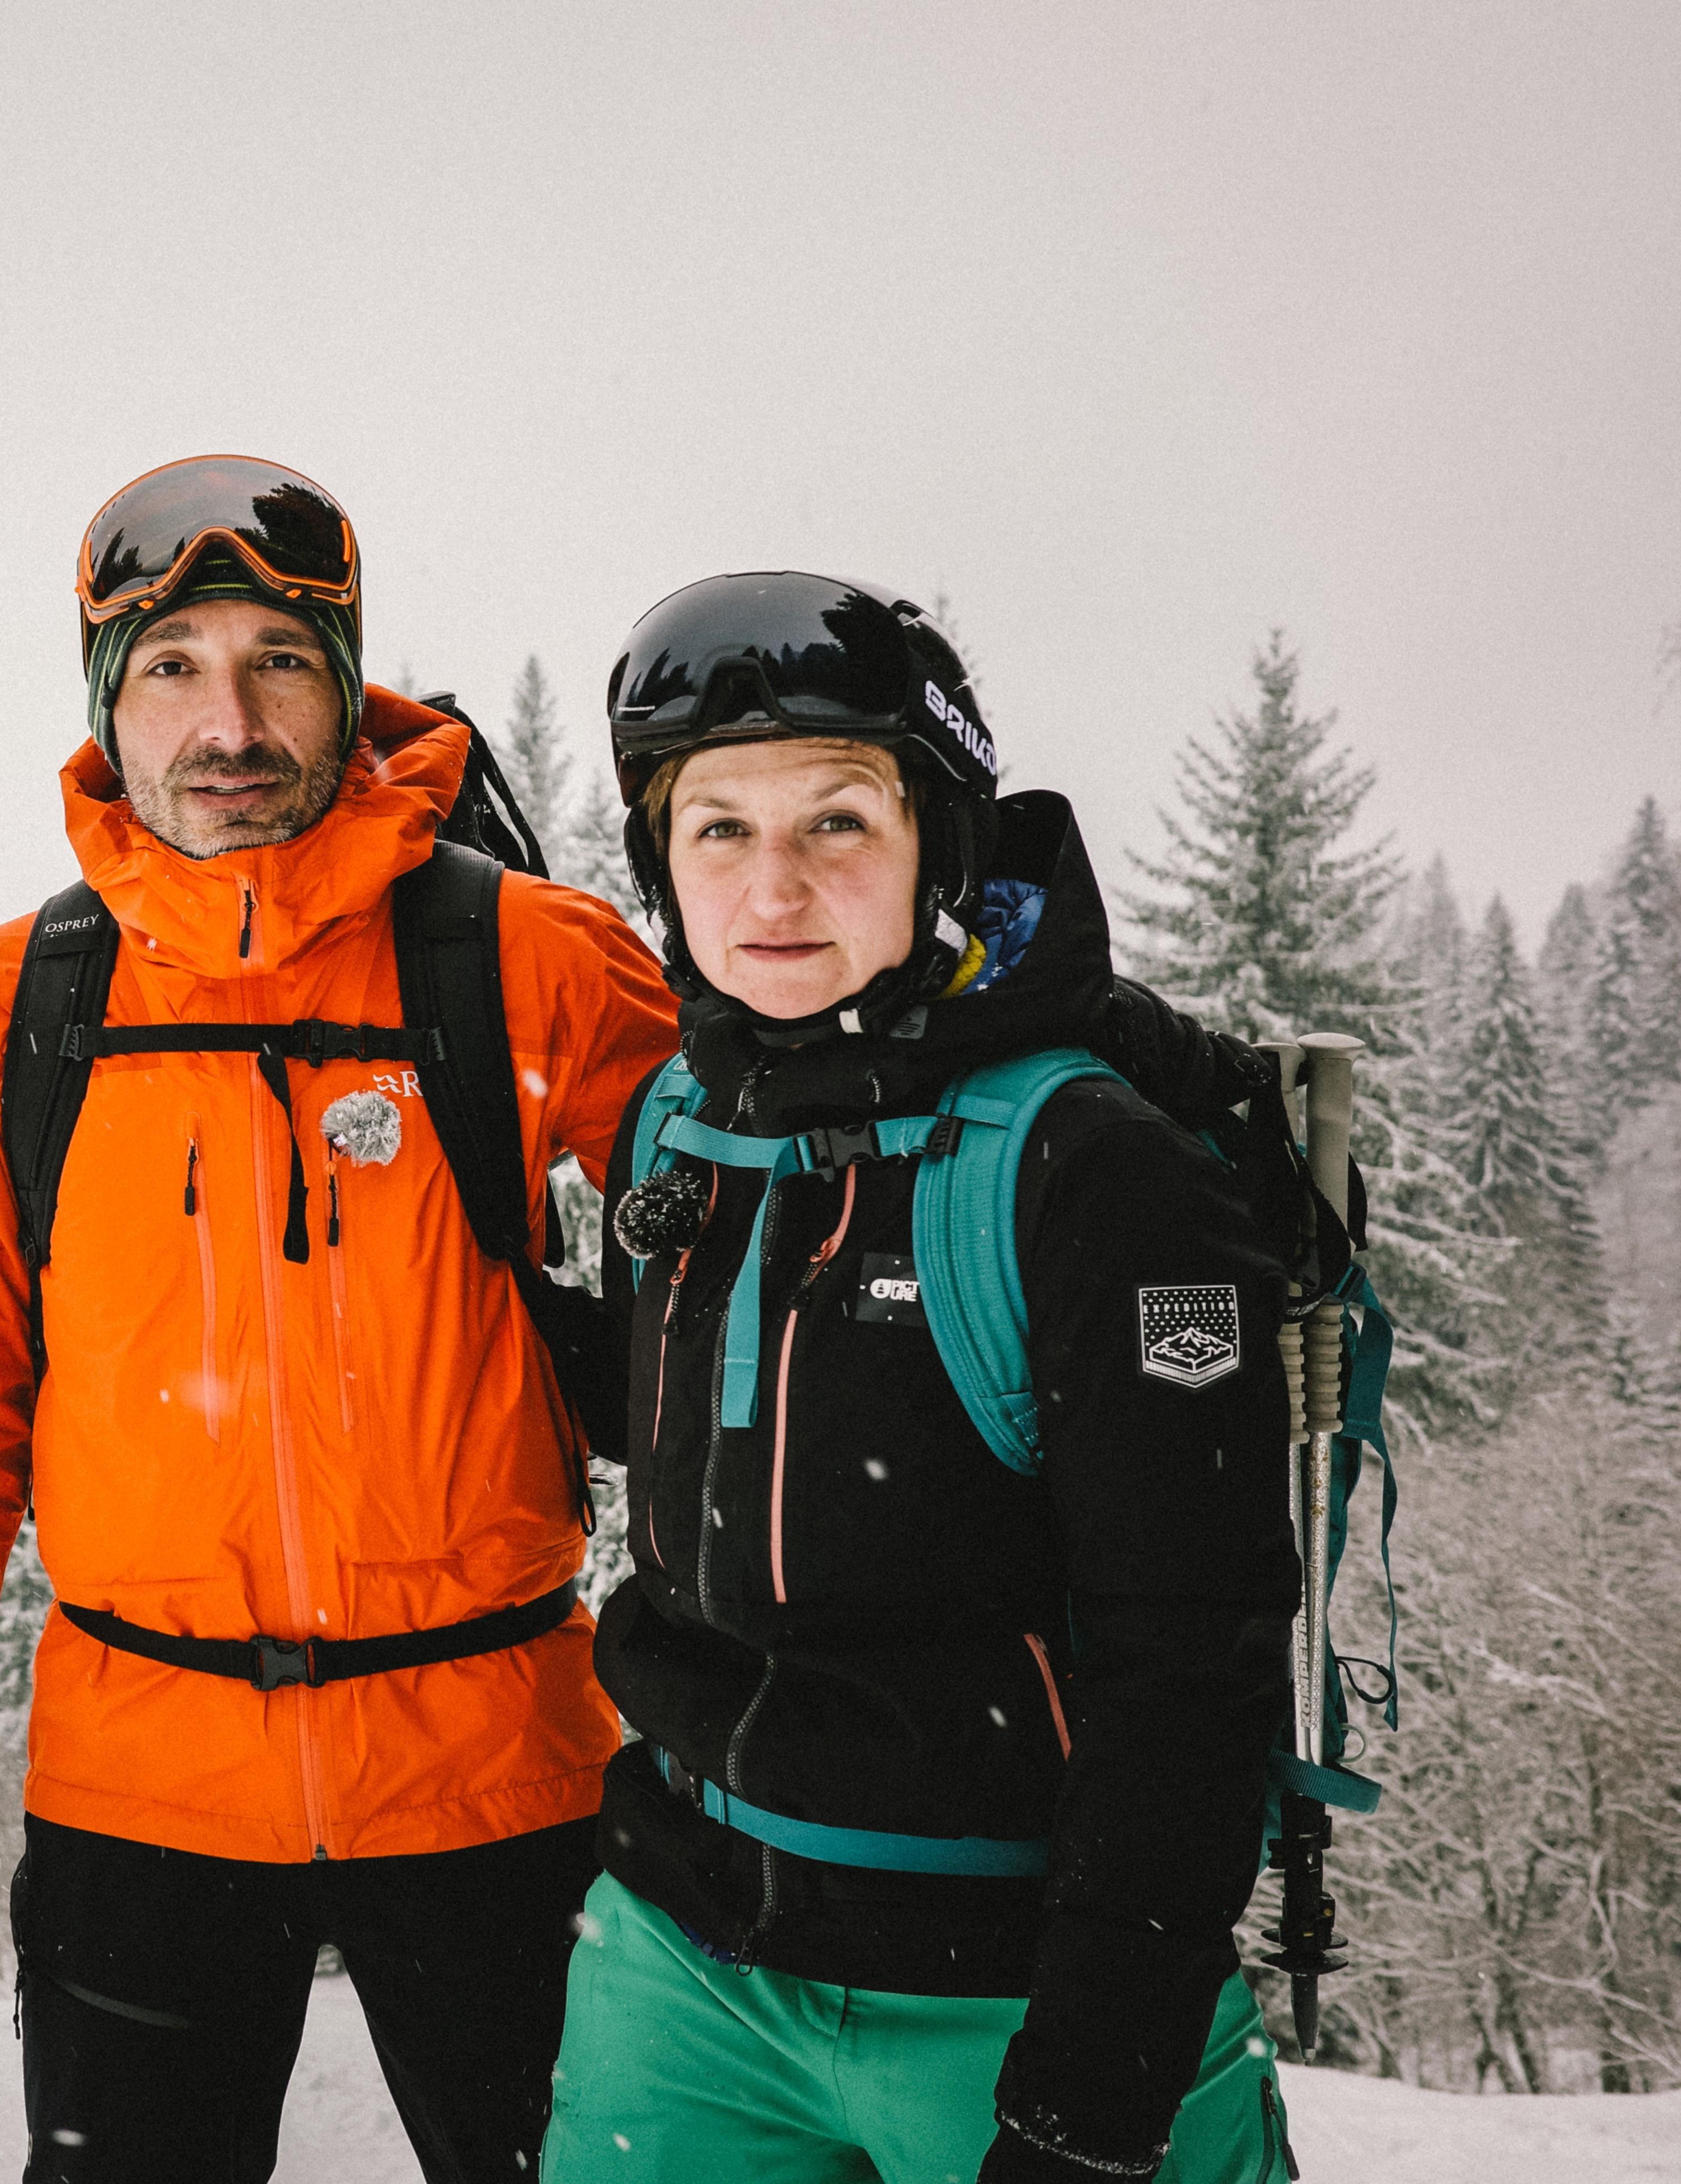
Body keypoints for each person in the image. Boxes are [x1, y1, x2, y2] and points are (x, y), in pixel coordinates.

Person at [0, 454, 683, 2183]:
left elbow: (790, 1259)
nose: (230, 723)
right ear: (109, 705)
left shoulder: (525, 956)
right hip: (141, 1803)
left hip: (501, 1781)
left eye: (281, 661)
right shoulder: (18, 1008)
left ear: (348, 685)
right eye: (174, 667)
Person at [541, 573, 1301, 2183]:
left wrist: (1097, 2092)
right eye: (718, 830)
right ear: (662, 868)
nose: (774, 887)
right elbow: (714, 1435)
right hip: (685, 1962)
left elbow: (1193, 1653)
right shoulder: (678, 1117)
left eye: (838, 821)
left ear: (938, 847)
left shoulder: (1094, 1171)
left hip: (1009, 1987)